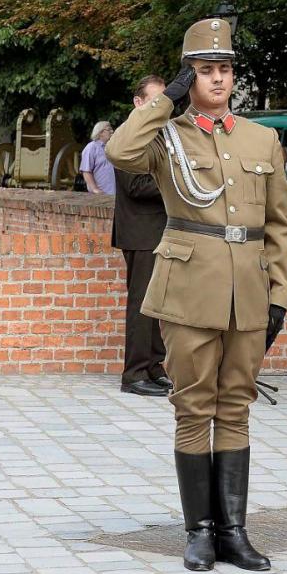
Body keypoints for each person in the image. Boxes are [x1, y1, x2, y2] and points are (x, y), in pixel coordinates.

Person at [107, 16, 287, 574]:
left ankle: (235, 532)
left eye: (224, 69)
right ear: (189, 77)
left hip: (248, 290)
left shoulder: (260, 139)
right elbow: (121, 151)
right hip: (189, 287)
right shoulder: (167, 135)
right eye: (205, 70)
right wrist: (164, 101)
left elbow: (280, 225)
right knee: (194, 409)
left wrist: (279, 294)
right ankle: (200, 532)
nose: (217, 78)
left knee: (235, 406)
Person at [114, 78, 171, 397]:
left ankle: (154, 366)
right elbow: (136, 187)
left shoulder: (156, 134)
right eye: (155, 100)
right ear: (138, 103)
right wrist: (176, 183)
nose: (161, 106)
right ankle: (134, 374)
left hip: (157, 231)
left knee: (158, 304)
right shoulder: (130, 136)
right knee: (141, 305)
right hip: (141, 231)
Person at [80, 121, 116, 195]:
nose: (112, 131)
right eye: (109, 129)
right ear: (100, 133)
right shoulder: (91, 147)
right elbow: (86, 171)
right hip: (100, 195)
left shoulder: (111, 147)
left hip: (115, 194)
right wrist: (94, 189)